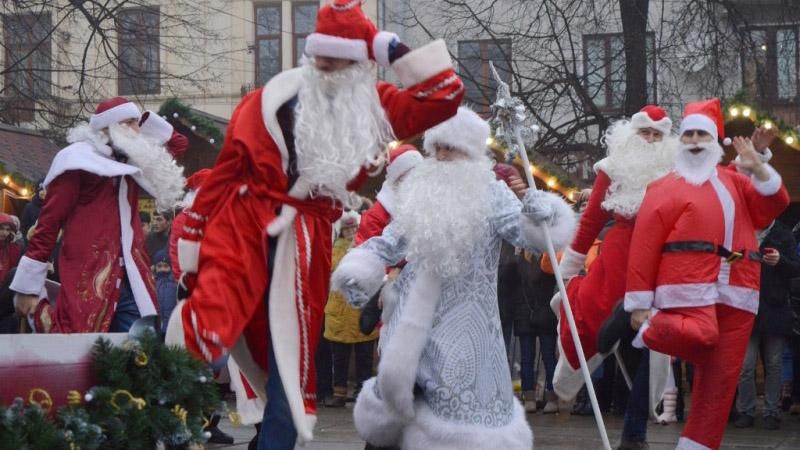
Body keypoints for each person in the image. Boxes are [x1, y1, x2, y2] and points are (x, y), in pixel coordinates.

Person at [164, 2, 466, 448]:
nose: (329, 70)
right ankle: (163, 424)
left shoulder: (376, 106)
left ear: (362, 63)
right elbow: (226, 170)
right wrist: (192, 238)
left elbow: (445, 96)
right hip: (243, 222)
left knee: (291, 356)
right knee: (209, 327)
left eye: (341, 61)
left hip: (304, 240)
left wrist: (393, 50)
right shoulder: (267, 101)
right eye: (322, 59)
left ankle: (273, 442)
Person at [331, 107, 575, 449]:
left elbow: (525, 235)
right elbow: (390, 241)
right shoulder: (420, 193)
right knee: (397, 404)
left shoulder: (492, 193)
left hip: (466, 330)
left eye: (452, 148)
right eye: (438, 149)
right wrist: (362, 267)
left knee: (455, 423)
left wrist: (541, 214)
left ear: (472, 153)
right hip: (413, 324)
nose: (443, 157)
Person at [620, 98, 789, 449]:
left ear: (715, 143)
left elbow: (773, 206)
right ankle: (651, 329)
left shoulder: (735, 182)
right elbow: (643, 247)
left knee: (720, 383)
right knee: (702, 335)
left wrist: (758, 167)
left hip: (740, 291)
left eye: (703, 134)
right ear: (680, 141)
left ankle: (696, 444)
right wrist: (639, 303)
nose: (695, 140)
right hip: (685, 288)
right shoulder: (662, 187)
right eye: (689, 134)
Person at [11, 97, 186, 333]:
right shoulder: (76, 162)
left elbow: (179, 144)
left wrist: (144, 119)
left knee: (142, 354)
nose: (138, 130)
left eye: (137, 123)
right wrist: (29, 287)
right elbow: (49, 223)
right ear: (109, 127)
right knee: (82, 350)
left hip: (132, 279)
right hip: (90, 275)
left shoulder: (130, 158)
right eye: (130, 123)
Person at [552, 105, 676, 399]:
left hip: (659, 262)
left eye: (656, 135)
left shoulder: (675, 174)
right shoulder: (612, 168)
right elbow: (591, 221)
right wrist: (569, 268)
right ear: (632, 134)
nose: (649, 139)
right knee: (592, 318)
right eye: (644, 132)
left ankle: (638, 423)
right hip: (618, 260)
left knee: (653, 344)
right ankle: (573, 377)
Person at [735, 220, 800, 430]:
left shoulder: (783, 233)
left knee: (774, 364)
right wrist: (738, 256)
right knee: (746, 365)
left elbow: (795, 267)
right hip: (747, 306)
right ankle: (747, 411)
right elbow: (727, 258)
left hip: (775, 307)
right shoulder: (742, 230)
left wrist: (779, 260)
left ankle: (772, 412)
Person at [324, 211, 378, 407]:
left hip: (361, 310)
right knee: (340, 357)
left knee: (365, 356)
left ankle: (362, 391)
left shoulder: (366, 246)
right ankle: (339, 392)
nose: (351, 232)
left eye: (354, 228)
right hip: (340, 311)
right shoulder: (334, 251)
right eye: (347, 229)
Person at [355, 144, 422, 245]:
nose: (417, 182)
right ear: (397, 180)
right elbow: (366, 254)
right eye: (411, 177)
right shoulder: (375, 217)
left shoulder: (425, 202)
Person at [152, 249, 178, 335]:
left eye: (165, 266)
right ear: (155, 267)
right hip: (156, 326)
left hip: (171, 328)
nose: (162, 269)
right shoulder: (151, 282)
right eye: (159, 266)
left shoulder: (174, 283)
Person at [0, 214, 22, 284]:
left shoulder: (12, 246)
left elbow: (13, 266)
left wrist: (13, 243)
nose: (4, 233)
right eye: (1, 228)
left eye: (8, 230)